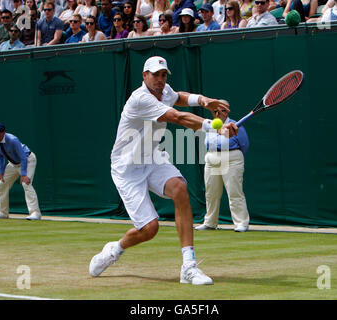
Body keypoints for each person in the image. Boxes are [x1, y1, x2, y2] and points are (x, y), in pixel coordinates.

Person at [88, 56, 237, 285]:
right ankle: (114, 250)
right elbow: (176, 116)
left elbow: (179, 98)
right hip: (127, 168)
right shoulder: (139, 99)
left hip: (153, 158)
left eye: (163, 74)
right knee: (150, 229)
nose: (160, 79)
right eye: (155, 74)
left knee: (179, 188)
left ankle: (189, 266)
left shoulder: (164, 90)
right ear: (144, 75)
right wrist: (215, 127)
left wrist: (205, 101)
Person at [195, 106, 250, 232]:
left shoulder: (235, 125)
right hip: (212, 158)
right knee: (211, 193)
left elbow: (244, 144)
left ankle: (241, 223)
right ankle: (210, 222)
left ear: (227, 112)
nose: (218, 114)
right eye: (215, 111)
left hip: (232, 158)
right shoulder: (210, 126)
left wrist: (231, 155)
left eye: (222, 111)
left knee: (234, 192)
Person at [0, 122, 42, 221]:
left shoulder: (13, 140)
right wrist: (1, 173)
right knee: (1, 184)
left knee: (26, 184)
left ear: (3, 133)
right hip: (13, 164)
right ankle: (2, 212)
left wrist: (23, 174)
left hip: (28, 160)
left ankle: (35, 213)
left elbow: (23, 157)